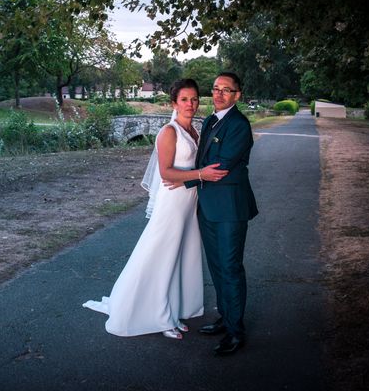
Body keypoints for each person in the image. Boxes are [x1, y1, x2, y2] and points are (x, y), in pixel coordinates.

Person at [83, 79, 228, 339]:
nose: (190, 104)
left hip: (189, 204)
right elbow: (166, 173)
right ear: (174, 103)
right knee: (161, 256)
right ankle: (159, 318)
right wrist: (202, 174)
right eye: (184, 99)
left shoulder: (196, 131)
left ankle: (173, 308)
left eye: (194, 99)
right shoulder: (168, 132)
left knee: (182, 256)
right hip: (172, 205)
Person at [180, 72, 259, 356]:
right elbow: (204, 162)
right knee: (216, 267)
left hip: (229, 209)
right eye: (215, 89)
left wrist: (182, 179)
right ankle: (225, 319)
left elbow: (221, 167)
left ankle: (236, 332)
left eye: (226, 90)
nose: (219, 94)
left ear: (237, 95)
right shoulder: (211, 120)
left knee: (230, 268)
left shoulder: (239, 125)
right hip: (208, 207)